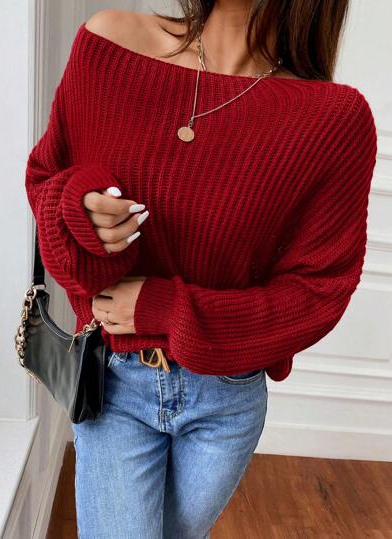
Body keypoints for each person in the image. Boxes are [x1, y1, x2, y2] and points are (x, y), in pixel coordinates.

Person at [24, 1, 377, 538]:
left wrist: (166, 307)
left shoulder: (332, 119)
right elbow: (46, 177)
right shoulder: (109, 42)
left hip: (226, 398)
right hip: (115, 381)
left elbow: (318, 290)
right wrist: (78, 208)